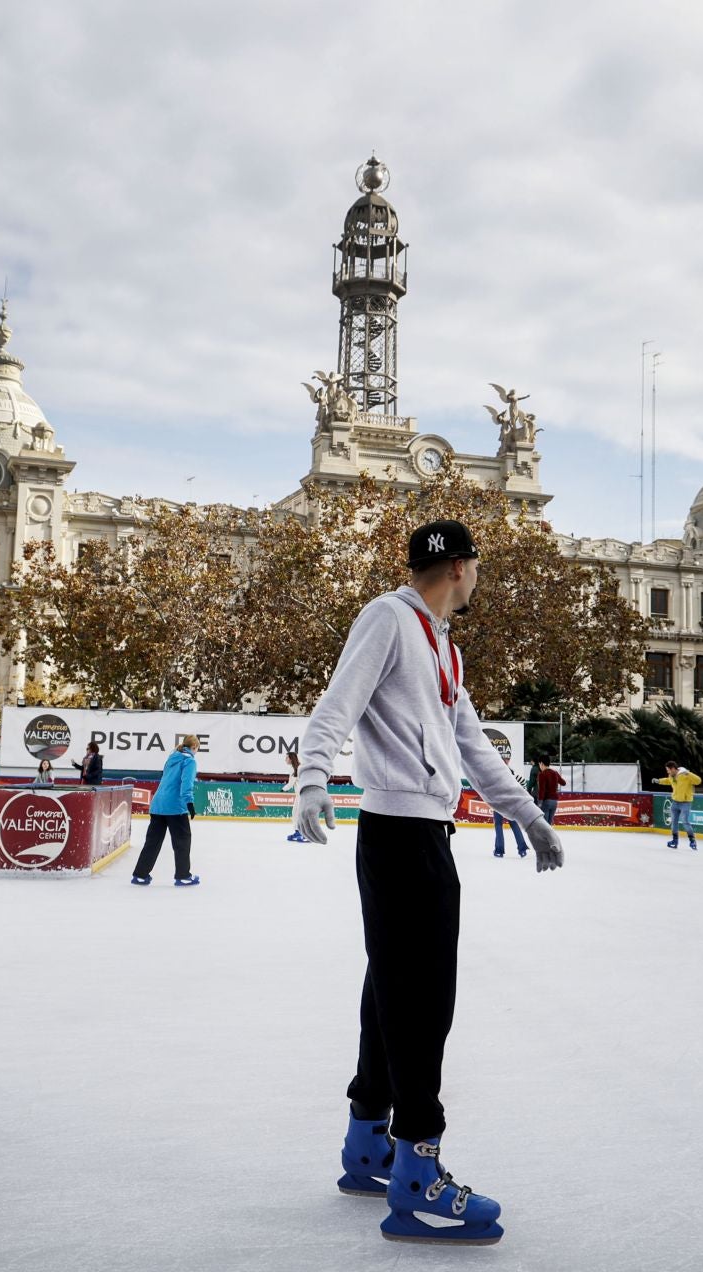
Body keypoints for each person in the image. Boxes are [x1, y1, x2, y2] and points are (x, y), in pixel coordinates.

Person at [295, 518, 564, 1247]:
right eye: (476, 565)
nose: (479, 577)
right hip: (400, 832)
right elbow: (336, 705)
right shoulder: (389, 618)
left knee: (391, 989)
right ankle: (418, 1174)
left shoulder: (445, 647)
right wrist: (312, 779)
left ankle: (367, 1143)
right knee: (421, 1003)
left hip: (423, 832)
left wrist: (529, 817)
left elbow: (472, 746)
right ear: (458, 568)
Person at [133, 735, 199, 886]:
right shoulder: (189, 761)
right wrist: (189, 803)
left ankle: (140, 875)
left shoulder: (172, 758)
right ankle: (183, 876)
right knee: (182, 841)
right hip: (175, 807)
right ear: (194, 747)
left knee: (152, 843)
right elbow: (186, 783)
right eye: (197, 749)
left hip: (157, 805)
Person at [653, 761, 702, 849]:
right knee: (674, 823)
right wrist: (659, 781)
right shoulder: (671, 776)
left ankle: (692, 841)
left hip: (685, 803)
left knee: (685, 821)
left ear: (673, 769)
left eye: (668, 770)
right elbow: (668, 781)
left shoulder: (685, 775)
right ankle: (675, 840)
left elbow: (698, 781)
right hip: (675, 802)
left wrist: (688, 773)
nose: (667, 772)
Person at [490, 753, 529, 858]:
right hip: (511, 804)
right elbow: (523, 783)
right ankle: (522, 850)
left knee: (498, 825)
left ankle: (499, 850)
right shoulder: (512, 773)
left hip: (499, 803)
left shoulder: (496, 774)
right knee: (514, 825)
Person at [534, 759, 565, 826]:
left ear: (542, 763)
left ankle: (544, 836)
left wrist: (540, 802)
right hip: (554, 802)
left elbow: (542, 790)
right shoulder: (555, 773)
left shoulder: (542, 774)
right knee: (549, 825)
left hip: (546, 802)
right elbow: (563, 783)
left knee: (545, 825)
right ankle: (549, 836)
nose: (540, 766)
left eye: (539, 764)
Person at [284, 750, 306, 842]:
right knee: (295, 813)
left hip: (303, 794)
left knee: (300, 814)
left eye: (286, 758)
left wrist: (283, 789)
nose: (285, 760)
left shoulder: (294, 769)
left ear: (291, 759)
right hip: (300, 795)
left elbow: (290, 783)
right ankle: (298, 831)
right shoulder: (298, 767)